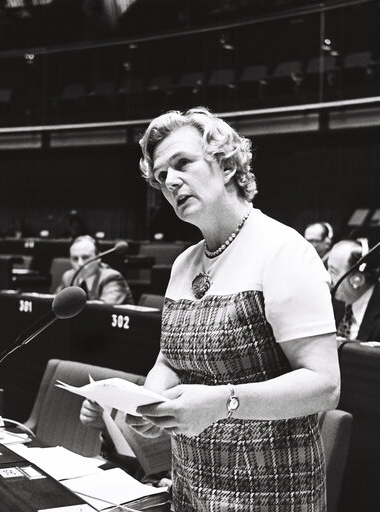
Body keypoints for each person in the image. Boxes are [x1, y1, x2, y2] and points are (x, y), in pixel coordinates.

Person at [98, 107, 340, 511]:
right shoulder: (183, 264)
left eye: (182, 163)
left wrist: (223, 401)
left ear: (227, 165)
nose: (170, 181)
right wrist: (150, 397)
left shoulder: (282, 250)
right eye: (160, 176)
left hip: (271, 490)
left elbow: (324, 385)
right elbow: (169, 360)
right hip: (190, 484)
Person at [56, 235, 133, 304]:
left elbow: (101, 311)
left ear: (98, 257)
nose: (80, 264)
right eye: (75, 259)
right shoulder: (68, 277)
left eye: (85, 257)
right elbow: (54, 305)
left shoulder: (112, 277)